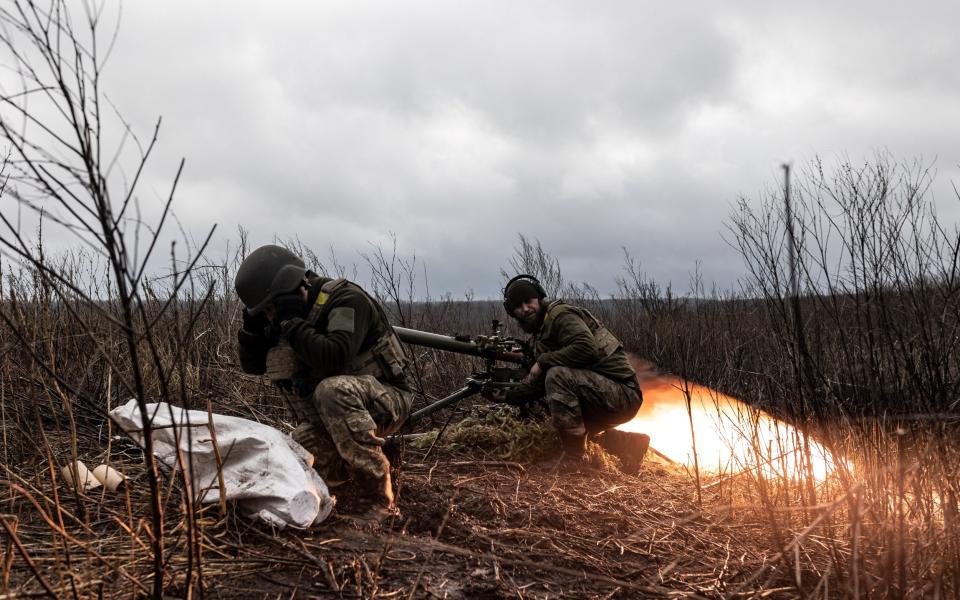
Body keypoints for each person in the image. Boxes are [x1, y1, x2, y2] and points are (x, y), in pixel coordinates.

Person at [235, 245, 413, 521]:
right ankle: (363, 463)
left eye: (273, 308)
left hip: (386, 400)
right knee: (296, 459)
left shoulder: (346, 299)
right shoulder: (282, 318)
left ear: (292, 289)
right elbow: (253, 365)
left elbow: (333, 356)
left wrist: (292, 322)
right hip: (331, 421)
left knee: (332, 390)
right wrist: (252, 330)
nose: (271, 316)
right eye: (265, 312)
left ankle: (380, 499)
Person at [490, 274, 648, 470]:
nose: (525, 309)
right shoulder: (541, 332)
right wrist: (508, 396)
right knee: (555, 425)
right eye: (518, 306)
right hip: (600, 395)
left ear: (538, 298)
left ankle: (575, 459)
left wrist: (542, 362)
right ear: (512, 312)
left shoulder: (560, 315)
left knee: (558, 375)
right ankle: (630, 446)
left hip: (623, 395)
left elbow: (586, 348)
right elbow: (541, 385)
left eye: (528, 301)